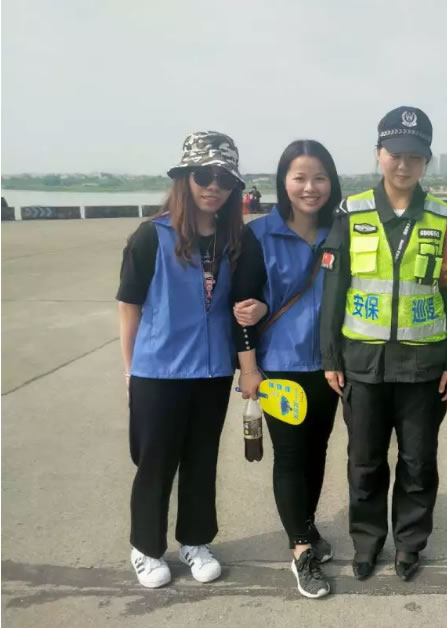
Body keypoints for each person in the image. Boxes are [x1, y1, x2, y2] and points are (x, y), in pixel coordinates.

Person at [319, 106, 447, 582]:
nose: (404, 165)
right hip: (362, 364)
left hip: (423, 366)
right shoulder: (352, 212)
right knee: (364, 463)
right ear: (379, 154)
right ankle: (367, 543)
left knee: (418, 462)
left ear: (426, 161)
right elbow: (334, 290)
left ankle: (409, 544)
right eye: (395, 154)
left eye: (415, 156)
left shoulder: (444, 217)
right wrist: (330, 356)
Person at [117, 131, 245, 588]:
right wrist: (131, 369)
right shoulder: (151, 236)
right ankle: (146, 547)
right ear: (185, 178)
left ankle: (195, 540)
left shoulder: (233, 239)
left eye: (224, 179)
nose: (214, 186)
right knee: (155, 462)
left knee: (202, 459)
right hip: (160, 371)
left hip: (212, 371)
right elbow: (129, 305)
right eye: (204, 175)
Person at [233, 140, 342, 599]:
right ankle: (301, 550)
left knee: (317, 451)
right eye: (299, 178)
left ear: (331, 182)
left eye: (319, 177)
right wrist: (250, 370)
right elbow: (241, 309)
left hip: (330, 367)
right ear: (283, 182)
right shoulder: (259, 235)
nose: (309, 187)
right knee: (292, 456)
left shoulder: (341, 231)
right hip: (280, 367)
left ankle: (307, 525)